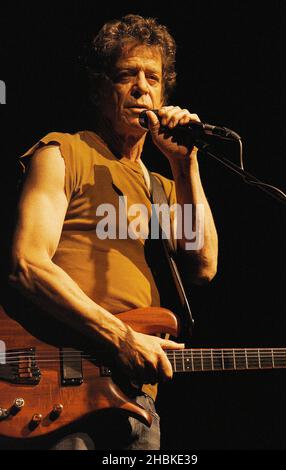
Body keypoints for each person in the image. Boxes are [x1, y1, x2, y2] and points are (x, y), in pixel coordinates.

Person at [8, 14, 218, 450]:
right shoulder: (64, 152)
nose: (143, 88)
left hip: (133, 394)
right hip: (58, 381)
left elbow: (202, 265)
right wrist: (119, 336)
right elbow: (27, 264)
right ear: (100, 88)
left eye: (154, 78)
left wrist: (185, 164)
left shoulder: (162, 187)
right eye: (127, 75)